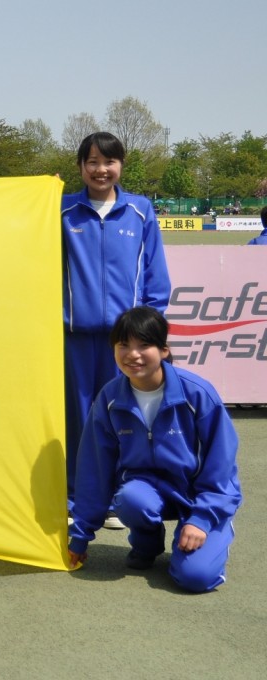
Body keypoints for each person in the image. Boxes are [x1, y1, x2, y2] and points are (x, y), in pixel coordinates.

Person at [68, 307, 241, 592]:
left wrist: (202, 518)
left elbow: (221, 464)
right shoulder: (109, 398)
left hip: (198, 495)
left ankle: (209, 533)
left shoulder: (197, 393)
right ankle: (147, 543)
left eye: (144, 345)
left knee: (196, 578)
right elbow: (94, 468)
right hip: (145, 492)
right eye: (123, 345)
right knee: (130, 498)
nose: (133, 355)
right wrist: (80, 536)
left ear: (163, 350)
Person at [61, 132, 171, 528]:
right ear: (80, 167)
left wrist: (148, 330)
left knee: (123, 416)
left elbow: (156, 274)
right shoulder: (61, 210)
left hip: (126, 343)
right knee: (78, 418)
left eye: (108, 161)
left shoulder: (140, 211)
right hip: (74, 337)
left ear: (121, 165)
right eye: (92, 161)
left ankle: (115, 498)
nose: (100, 169)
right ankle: (76, 498)